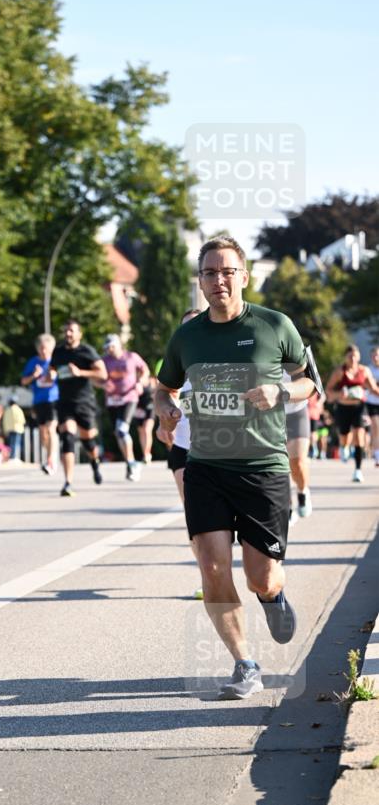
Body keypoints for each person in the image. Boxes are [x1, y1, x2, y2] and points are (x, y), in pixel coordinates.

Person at [156, 235, 315, 700]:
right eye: (210, 272)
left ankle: (272, 596)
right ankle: (245, 663)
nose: (219, 279)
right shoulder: (187, 335)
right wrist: (165, 408)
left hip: (263, 466)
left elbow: (309, 383)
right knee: (211, 565)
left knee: (260, 576)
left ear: (244, 276)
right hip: (206, 465)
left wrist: (281, 393)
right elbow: (163, 387)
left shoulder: (274, 325)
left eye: (228, 271)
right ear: (200, 281)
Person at [156, 308, 205, 600]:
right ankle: (207, 575)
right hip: (182, 447)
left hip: (219, 448)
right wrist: (163, 428)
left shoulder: (218, 360)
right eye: (185, 328)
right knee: (193, 511)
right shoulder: (175, 362)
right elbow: (160, 400)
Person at [49, 320, 107, 497]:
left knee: (88, 440)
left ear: (79, 334)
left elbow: (103, 374)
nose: (68, 334)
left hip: (84, 402)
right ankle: (68, 482)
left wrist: (80, 372)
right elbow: (52, 369)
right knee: (67, 436)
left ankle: (95, 461)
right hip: (64, 402)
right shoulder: (58, 352)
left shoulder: (87, 351)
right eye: (66, 331)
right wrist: (50, 374)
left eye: (72, 331)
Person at [325, 344, 379, 482]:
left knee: (360, 436)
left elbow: (373, 388)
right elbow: (329, 391)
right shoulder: (339, 372)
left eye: (355, 356)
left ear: (359, 356)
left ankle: (358, 470)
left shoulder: (364, 370)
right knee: (344, 436)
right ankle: (344, 446)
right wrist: (339, 394)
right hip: (343, 408)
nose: (353, 359)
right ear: (346, 357)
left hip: (359, 407)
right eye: (350, 356)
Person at [101, 334, 149, 482]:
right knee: (118, 433)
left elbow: (145, 370)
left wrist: (141, 382)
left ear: (119, 345)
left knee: (122, 429)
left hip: (129, 397)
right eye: (107, 347)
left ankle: (132, 463)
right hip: (112, 400)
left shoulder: (131, 357)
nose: (110, 349)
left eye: (112, 346)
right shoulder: (104, 361)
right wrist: (102, 384)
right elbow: (95, 378)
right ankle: (130, 462)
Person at [21, 333, 59, 474]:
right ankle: (51, 453)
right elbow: (23, 381)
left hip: (53, 400)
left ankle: (51, 460)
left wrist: (56, 376)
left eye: (46, 348)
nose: (43, 351)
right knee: (43, 435)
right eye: (41, 348)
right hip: (38, 401)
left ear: (51, 348)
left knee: (51, 429)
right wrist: (34, 376)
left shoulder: (55, 362)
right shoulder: (33, 362)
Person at [284, 370, 313, 522]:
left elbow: (313, 384)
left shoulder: (294, 351)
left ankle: (302, 491)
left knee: (298, 463)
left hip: (297, 413)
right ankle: (287, 508)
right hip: (271, 414)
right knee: (280, 467)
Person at [366, 345, 379, 467]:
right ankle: (377, 456)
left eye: (377, 355)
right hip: (372, 403)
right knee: (375, 427)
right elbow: (368, 387)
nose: (376, 357)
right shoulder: (368, 370)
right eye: (374, 355)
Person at [2, 396, 26, 461]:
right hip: (17, 429)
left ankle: (11, 456)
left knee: (11, 443)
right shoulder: (18, 409)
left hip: (9, 429)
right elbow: (22, 420)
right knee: (16, 443)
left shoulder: (7, 410)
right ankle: (14, 457)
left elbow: (4, 421)